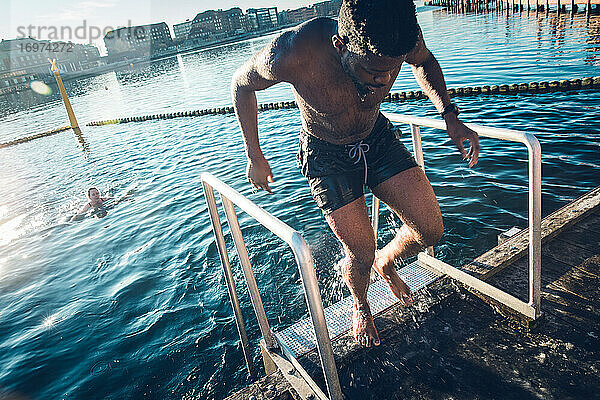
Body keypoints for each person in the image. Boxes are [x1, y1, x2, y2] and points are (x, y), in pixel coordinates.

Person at [231, 0, 480, 347]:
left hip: (375, 137)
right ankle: (361, 304)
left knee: (430, 229)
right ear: (340, 45)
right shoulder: (293, 52)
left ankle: (387, 262)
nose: (381, 81)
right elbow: (241, 84)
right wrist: (254, 155)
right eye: (371, 71)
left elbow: (424, 61)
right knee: (360, 252)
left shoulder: (399, 35)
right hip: (326, 153)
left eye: (389, 71)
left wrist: (450, 115)